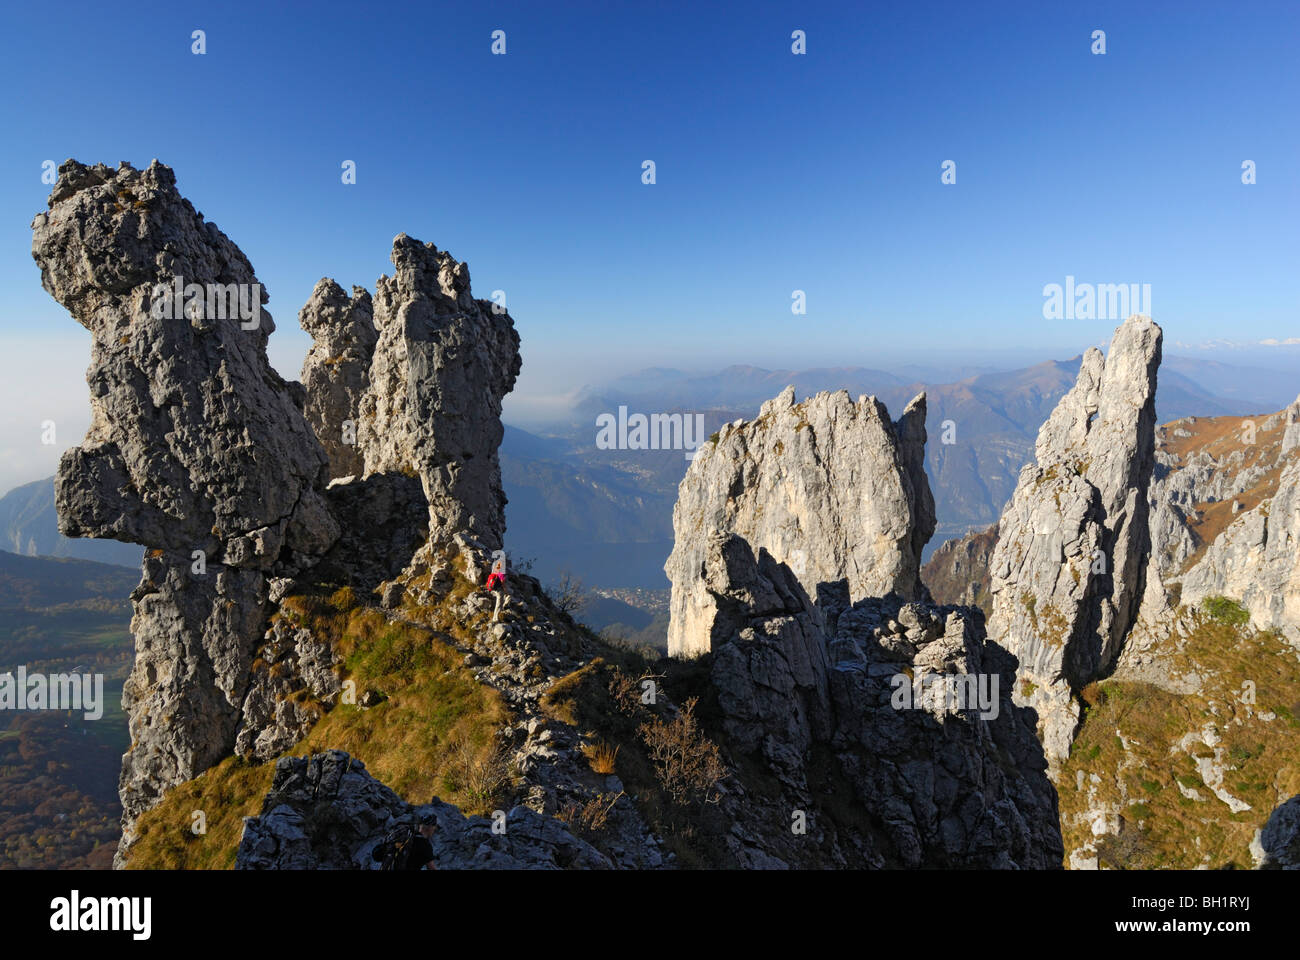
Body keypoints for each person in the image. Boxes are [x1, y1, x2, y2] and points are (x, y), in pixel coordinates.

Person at [372, 815, 437, 870]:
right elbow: (431, 867)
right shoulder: (425, 845)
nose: (434, 830)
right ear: (430, 828)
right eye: (434, 828)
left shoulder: (407, 835)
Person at [484, 554, 508, 622]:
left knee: (501, 600)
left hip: (492, 587)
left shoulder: (495, 565)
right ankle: (496, 617)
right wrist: (505, 589)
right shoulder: (500, 565)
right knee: (499, 602)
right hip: (498, 588)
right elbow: (502, 579)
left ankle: (499, 612)